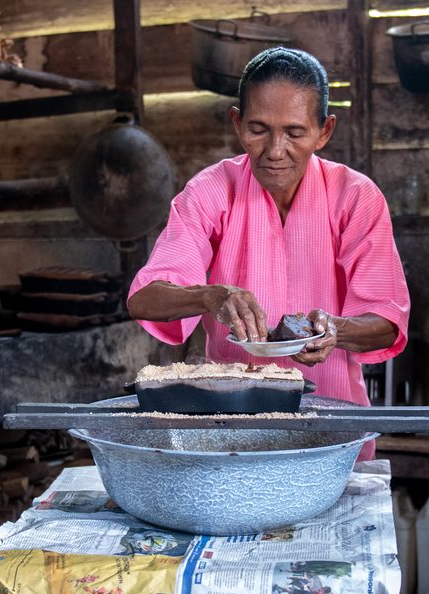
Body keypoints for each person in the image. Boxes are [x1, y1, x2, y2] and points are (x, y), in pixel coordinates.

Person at [127, 47, 410, 461]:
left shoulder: (355, 197)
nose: (276, 150)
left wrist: (334, 330)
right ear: (237, 123)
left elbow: (387, 320)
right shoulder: (210, 190)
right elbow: (144, 298)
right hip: (230, 430)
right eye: (258, 129)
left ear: (324, 131)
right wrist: (210, 296)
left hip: (331, 430)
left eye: (295, 132)